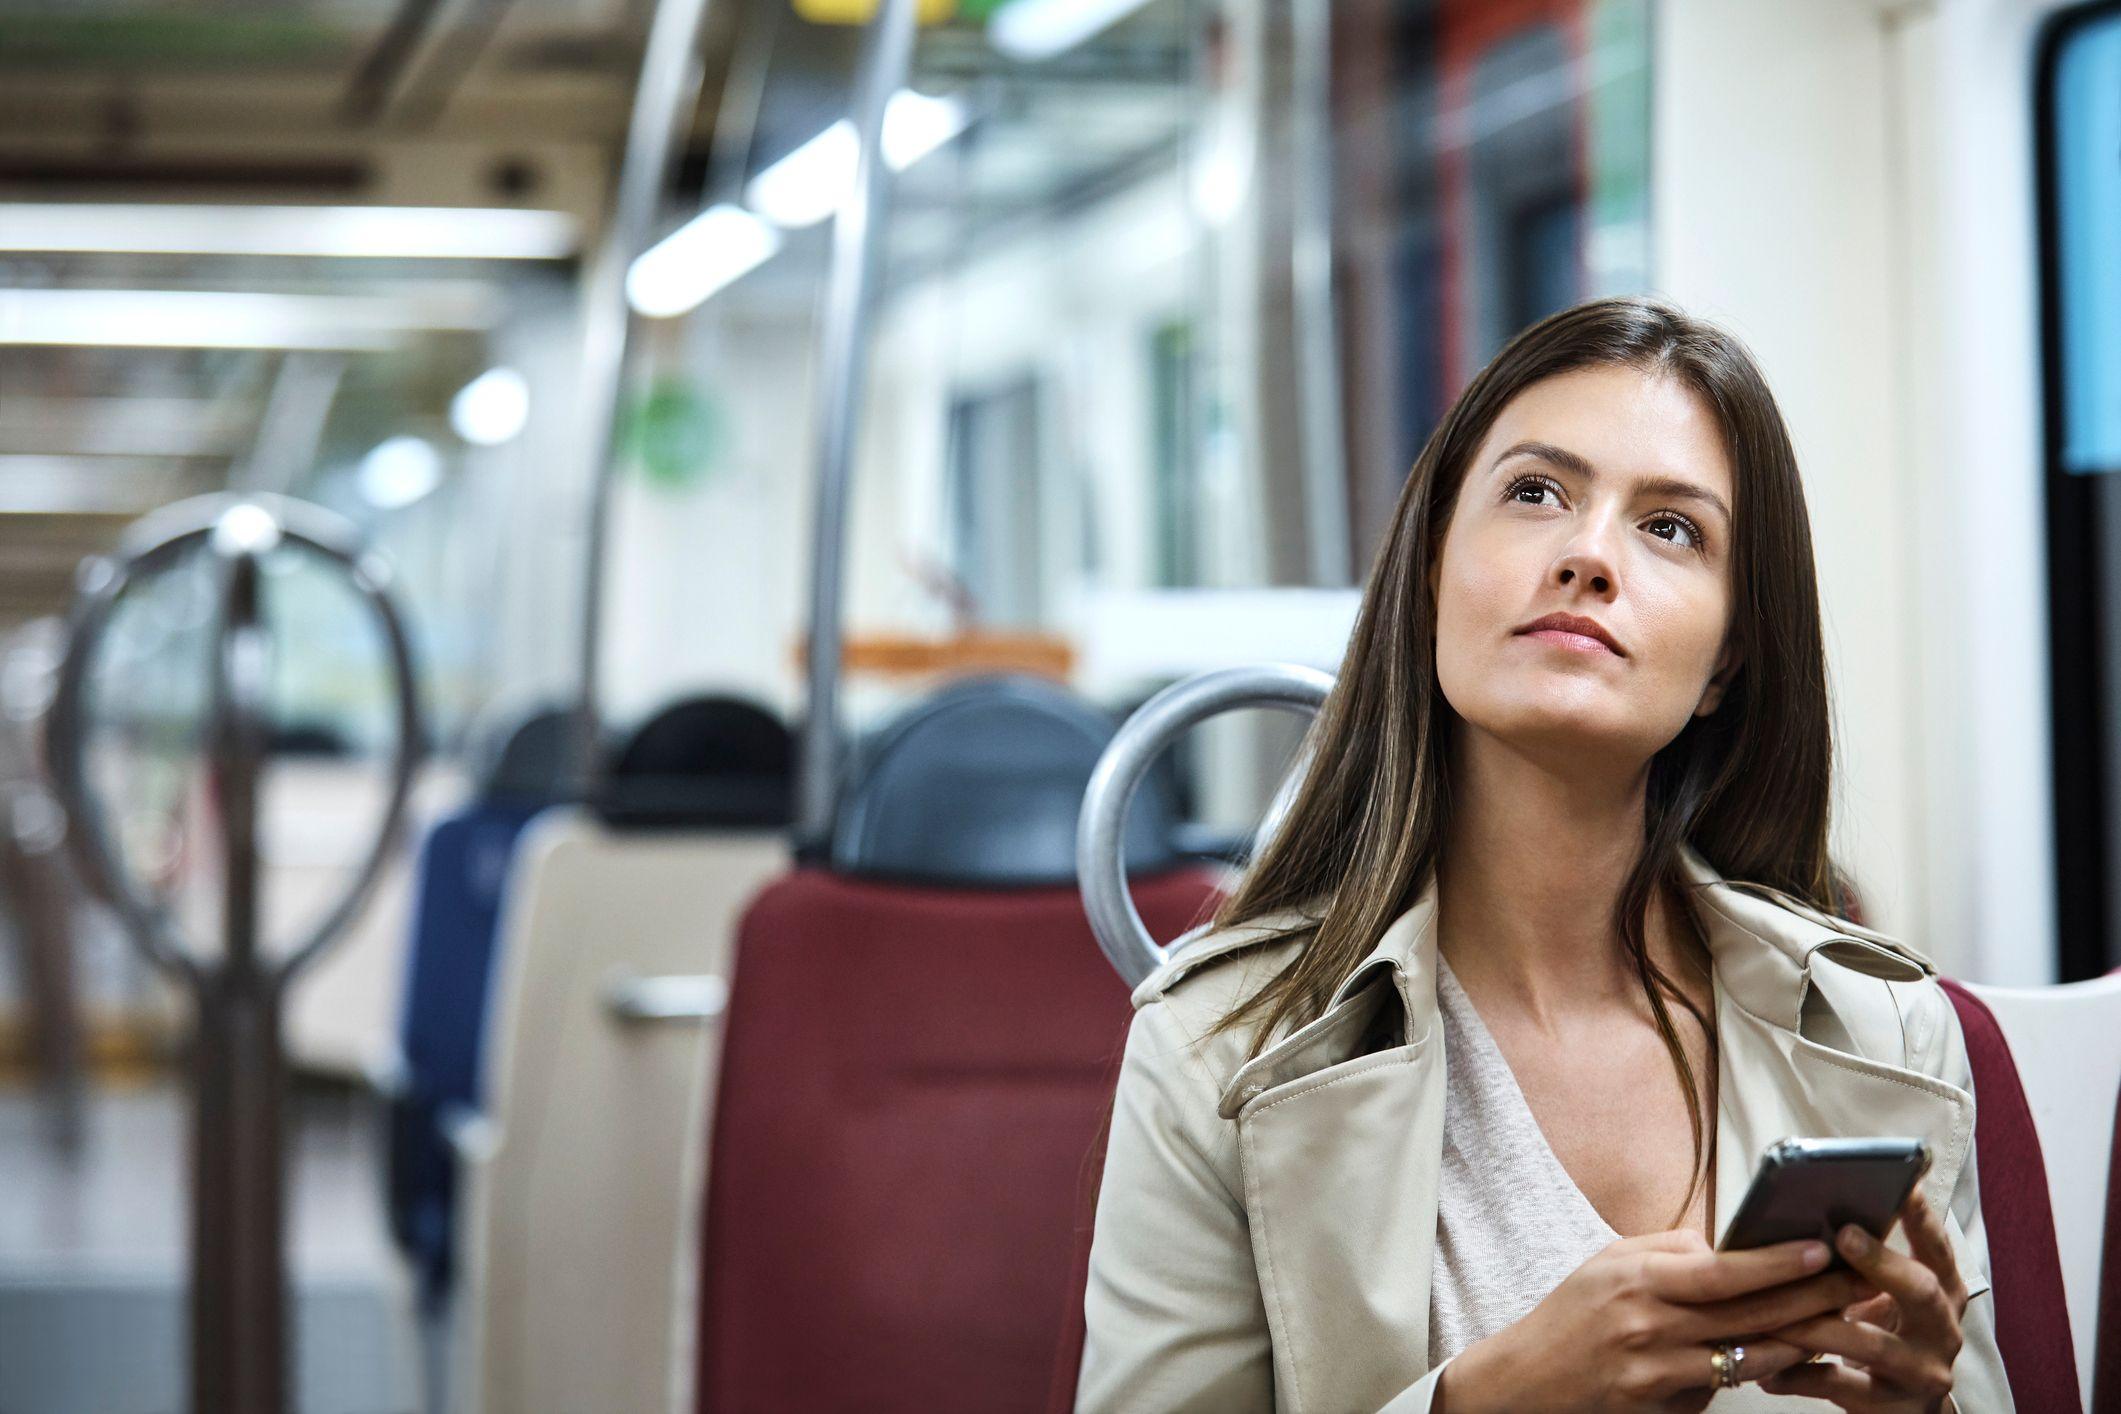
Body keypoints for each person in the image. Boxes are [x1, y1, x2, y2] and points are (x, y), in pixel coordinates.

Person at [1074, 297, 2010, 1413]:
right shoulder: (1217, 1049)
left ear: (1726, 661)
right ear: (1430, 572)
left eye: (1672, 529)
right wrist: (1476, 1404)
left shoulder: (1883, 1031)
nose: (1587, 554)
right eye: (1535, 493)